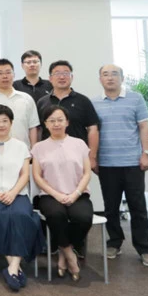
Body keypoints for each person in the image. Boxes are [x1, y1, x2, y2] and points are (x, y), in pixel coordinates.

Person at [0, 105, 44, 292]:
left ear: (11, 123)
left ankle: (12, 267)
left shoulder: (21, 146)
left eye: (5, 120)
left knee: (22, 215)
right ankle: (14, 266)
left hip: (18, 193)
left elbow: (24, 175)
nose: (1, 124)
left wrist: (13, 192)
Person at [92, 64, 148, 267]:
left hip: (132, 162)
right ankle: (114, 243)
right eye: (105, 74)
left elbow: (144, 127)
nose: (110, 78)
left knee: (138, 207)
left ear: (122, 78)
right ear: (100, 79)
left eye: (114, 74)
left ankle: (144, 248)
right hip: (107, 163)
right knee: (110, 207)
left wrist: (146, 153)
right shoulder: (94, 103)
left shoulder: (135, 99)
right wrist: (93, 158)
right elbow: (93, 132)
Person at [32, 105, 93, 281]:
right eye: (52, 120)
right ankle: (69, 254)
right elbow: (37, 176)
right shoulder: (39, 147)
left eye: (60, 120)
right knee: (56, 215)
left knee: (83, 218)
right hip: (50, 195)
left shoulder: (79, 144)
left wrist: (76, 193)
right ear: (45, 124)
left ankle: (63, 250)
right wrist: (56, 194)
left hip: (78, 193)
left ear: (67, 122)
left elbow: (87, 173)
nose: (56, 124)